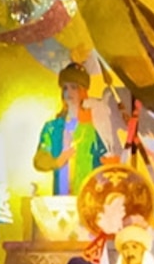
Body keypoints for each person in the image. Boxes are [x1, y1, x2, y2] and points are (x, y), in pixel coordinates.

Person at [33, 62, 111, 197]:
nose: (68, 92)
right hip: (61, 202)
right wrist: (57, 161)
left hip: (88, 199)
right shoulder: (53, 128)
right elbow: (39, 159)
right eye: (65, 88)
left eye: (73, 87)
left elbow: (105, 162)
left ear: (83, 91)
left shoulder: (95, 127)